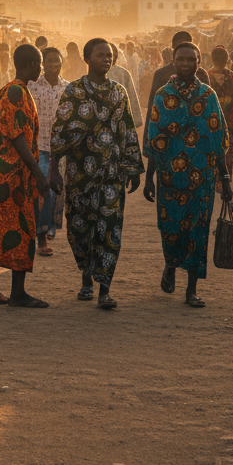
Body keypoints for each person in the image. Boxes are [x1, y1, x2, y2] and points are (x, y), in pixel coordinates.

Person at [51, 38, 144, 309]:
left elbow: (128, 130)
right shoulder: (74, 91)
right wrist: (53, 169)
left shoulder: (119, 92)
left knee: (109, 230)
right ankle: (86, 278)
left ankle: (104, 290)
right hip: (80, 175)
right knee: (80, 228)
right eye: (101, 55)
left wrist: (133, 168)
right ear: (87, 58)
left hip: (112, 175)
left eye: (110, 55)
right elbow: (60, 130)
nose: (107, 59)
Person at [144, 43, 233, 307]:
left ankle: (191, 290)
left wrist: (225, 179)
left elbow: (218, 139)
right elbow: (154, 139)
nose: (185, 63)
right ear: (173, 62)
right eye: (180, 59)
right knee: (171, 228)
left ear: (198, 62)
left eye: (190, 59)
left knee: (198, 231)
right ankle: (171, 265)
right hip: (169, 178)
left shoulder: (208, 96)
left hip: (202, 178)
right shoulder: (162, 95)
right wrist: (149, 178)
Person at [0, 45, 59, 308]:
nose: (41, 69)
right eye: (40, 64)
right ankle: (17, 293)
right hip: (9, 177)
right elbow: (17, 136)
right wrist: (38, 172)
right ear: (32, 64)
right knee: (20, 230)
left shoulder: (9, 90)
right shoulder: (16, 92)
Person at [26, 46, 69, 254]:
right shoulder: (32, 87)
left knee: (58, 192)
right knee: (44, 191)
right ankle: (41, 238)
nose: (55, 64)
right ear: (43, 64)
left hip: (60, 148)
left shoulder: (68, 88)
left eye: (57, 60)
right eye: (50, 60)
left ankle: (49, 227)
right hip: (39, 147)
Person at [206, 45, 233, 212]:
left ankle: (210, 198)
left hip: (208, 126)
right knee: (227, 161)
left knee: (209, 161)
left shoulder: (205, 77)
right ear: (227, 60)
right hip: (229, 126)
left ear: (212, 59)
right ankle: (225, 199)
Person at [144, 31, 210, 119]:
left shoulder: (201, 74)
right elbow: (153, 107)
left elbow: (210, 108)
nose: (185, 64)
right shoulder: (160, 74)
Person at [108, 42, 144, 128]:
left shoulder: (124, 73)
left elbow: (131, 96)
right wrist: (136, 119)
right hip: (121, 121)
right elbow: (132, 97)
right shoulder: (124, 73)